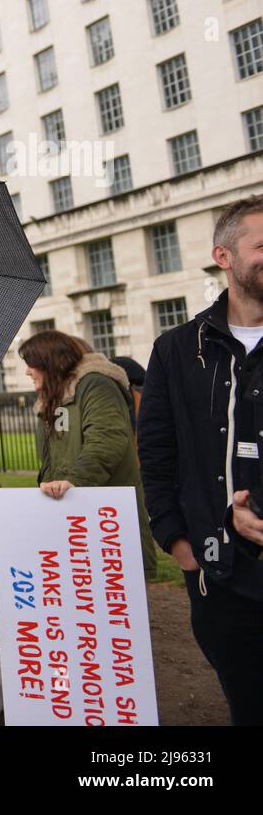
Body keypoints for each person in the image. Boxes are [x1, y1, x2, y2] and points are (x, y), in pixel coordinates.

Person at [139, 195, 263, 725]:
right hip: (220, 576)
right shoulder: (176, 349)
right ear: (225, 256)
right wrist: (176, 538)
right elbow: (157, 454)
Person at [20, 331, 158, 579]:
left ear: (51, 362)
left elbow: (106, 440)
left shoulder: (96, 384)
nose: (27, 372)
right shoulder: (51, 398)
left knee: (114, 600)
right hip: (72, 518)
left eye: (32, 363)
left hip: (106, 520)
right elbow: (51, 460)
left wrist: (73, 483)